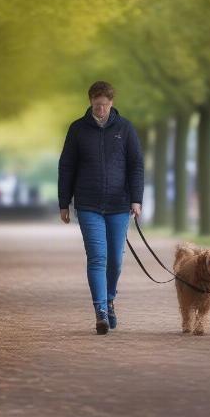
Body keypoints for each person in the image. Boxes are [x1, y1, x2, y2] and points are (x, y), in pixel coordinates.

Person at [58, 80, 144, 335]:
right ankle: (101, 312)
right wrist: (64, 202)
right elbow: (66, 167)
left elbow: (136, 165)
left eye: (105, 105)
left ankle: (109, 299)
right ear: (90, 102)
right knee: (97, 257)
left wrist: (136, 199)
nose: (101, 110)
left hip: (119, 205)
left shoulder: (126, 129)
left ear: (112, 103)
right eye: (97, 105)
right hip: (88, 204)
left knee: (115, 261)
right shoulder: (77, 130)